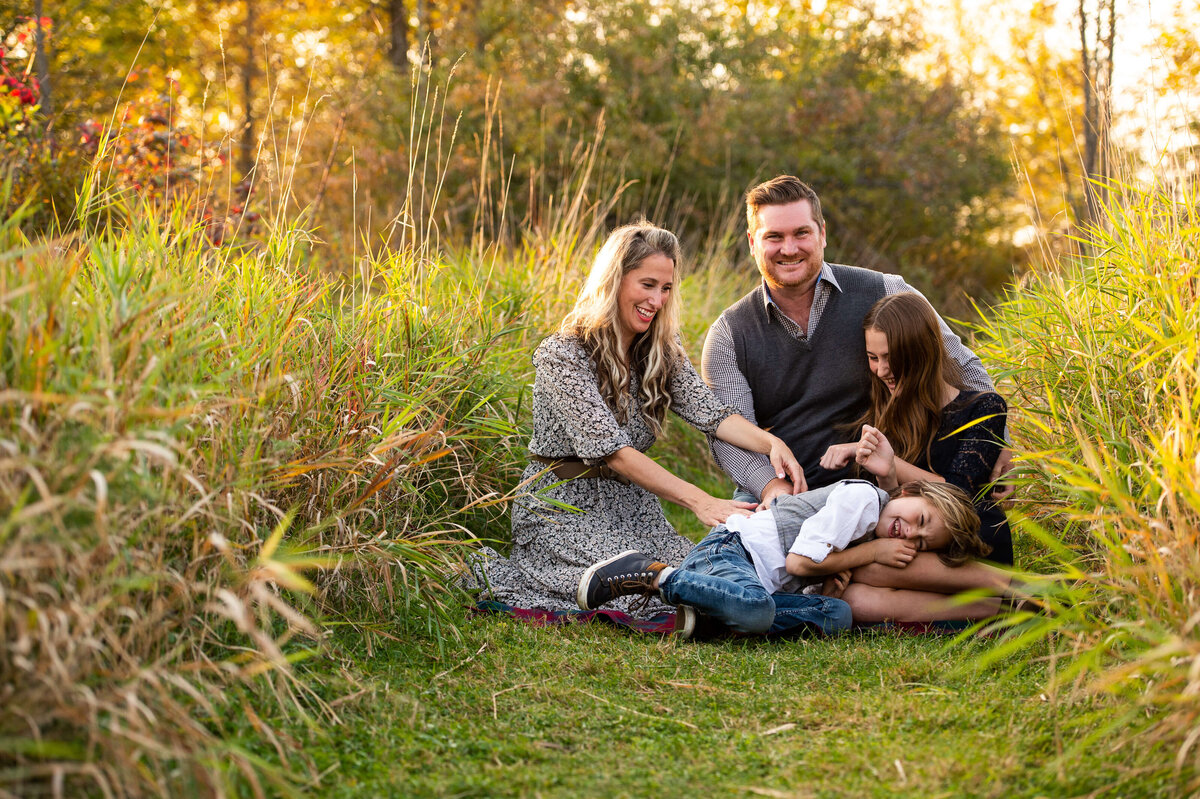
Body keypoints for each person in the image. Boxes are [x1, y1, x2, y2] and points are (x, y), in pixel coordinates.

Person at [474, 220, 804, 616]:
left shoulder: (661, 349)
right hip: (561, 509)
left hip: (633, 506)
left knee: (697, 575)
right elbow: (612, 452)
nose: (658, 300)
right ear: (614, 281)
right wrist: (700, 501)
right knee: (645, 595)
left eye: (666, 288)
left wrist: (771, 443)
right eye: (647, 285)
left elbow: (712, 416)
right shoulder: (561, 355)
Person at [702, 175, 1009, 507]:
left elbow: (962, 366)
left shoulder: (885, 290)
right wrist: (772, 490)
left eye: (801, 233)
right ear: (752, 242)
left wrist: (997, 445)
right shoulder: (728, 335)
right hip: (781, 489)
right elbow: (731, 436)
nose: (789, 249)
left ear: (822, 233)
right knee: (730, 552)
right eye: (774, 237)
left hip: (878, 482)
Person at [575, 478, 994, 637]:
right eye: (919, 519)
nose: (911, 535)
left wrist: (834, 577)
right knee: (758, 611)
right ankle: (652, 574)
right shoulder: (864, 500)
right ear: (908, 493)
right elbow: (796, 564)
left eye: (922, 542)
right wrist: (869, 553)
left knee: (837, 614)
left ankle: (708, 614)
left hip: (752, 577)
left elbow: (809, 577)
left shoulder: (861, 531)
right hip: (729, 552)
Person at [820, 291, 1014, 564]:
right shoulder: (882, 413)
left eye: (890, 357)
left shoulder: (984, 408)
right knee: (858, 589)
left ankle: (1013, 592)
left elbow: (959, 495)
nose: (881, 370)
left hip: (968, 547)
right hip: (907, 550)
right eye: (873, 357)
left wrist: (882, 458)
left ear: (922, 351)